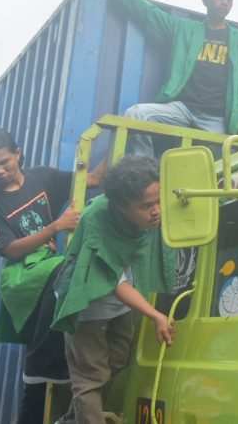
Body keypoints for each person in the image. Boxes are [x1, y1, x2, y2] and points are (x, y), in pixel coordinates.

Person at [0, 128, 103, 424]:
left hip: (49, 266)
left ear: (18, 153)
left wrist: (128, 137)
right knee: (65, 269)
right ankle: (44, 367)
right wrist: (55, 227)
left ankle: (46, 371)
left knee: (71, 274)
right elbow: (10, 249)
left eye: (4, 162)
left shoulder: (42, 177)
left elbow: (93, 179)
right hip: (20, 274)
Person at [52, 155, 176, 423]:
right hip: (87, 304)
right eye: (146, 206)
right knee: (90, 377)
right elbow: (114, 281)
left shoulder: (146, 217)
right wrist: (155, 314)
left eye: (158, 201)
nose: (156, 211)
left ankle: (72, 420)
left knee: (116, 362)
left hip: (120, 306)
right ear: (121, 205)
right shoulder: (97, 217)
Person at [91, 0, 238, 155]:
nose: (224, 2)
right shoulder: (184, 29)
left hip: (216, 118)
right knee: (135, 114)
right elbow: (150, 13)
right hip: (183, 109)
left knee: (216, 164)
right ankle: (144, 167)